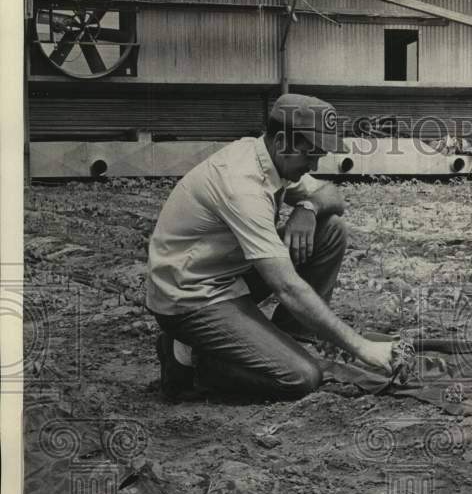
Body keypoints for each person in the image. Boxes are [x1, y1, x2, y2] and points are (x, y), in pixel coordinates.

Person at [146, 93, 395, 401]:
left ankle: (290, 340)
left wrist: (307, 207)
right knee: (301, 377)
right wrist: (361, 347)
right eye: (311, 155)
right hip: (191, 299)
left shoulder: (268, 157)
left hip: (226, 275)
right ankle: (191, 360)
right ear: (281, 142)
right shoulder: (241, 183)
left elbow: (333, 197)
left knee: (329, 229)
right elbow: (287, 287)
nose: (315, 163)